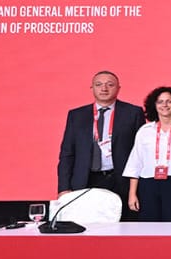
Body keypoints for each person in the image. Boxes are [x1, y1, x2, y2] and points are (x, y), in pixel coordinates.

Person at [57, 70, 143, 215]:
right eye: (98, 84)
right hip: (85, 179)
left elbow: (140, 153)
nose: (104, 88)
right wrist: (64, 188)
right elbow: (67, 154)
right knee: (86, 222)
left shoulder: (133, 113)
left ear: (118, 88)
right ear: (92, 88)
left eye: (110, 85)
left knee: (123, 223)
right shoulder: (77, 115)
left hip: (120, 180)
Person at [124, 86, 171, 222]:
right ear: (154, 105)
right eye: (160, 102)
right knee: (149, 227)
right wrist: (132, 194)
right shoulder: (144, 130)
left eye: (169, 101)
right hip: (148, 184)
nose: (164, 105)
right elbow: (135, 163)